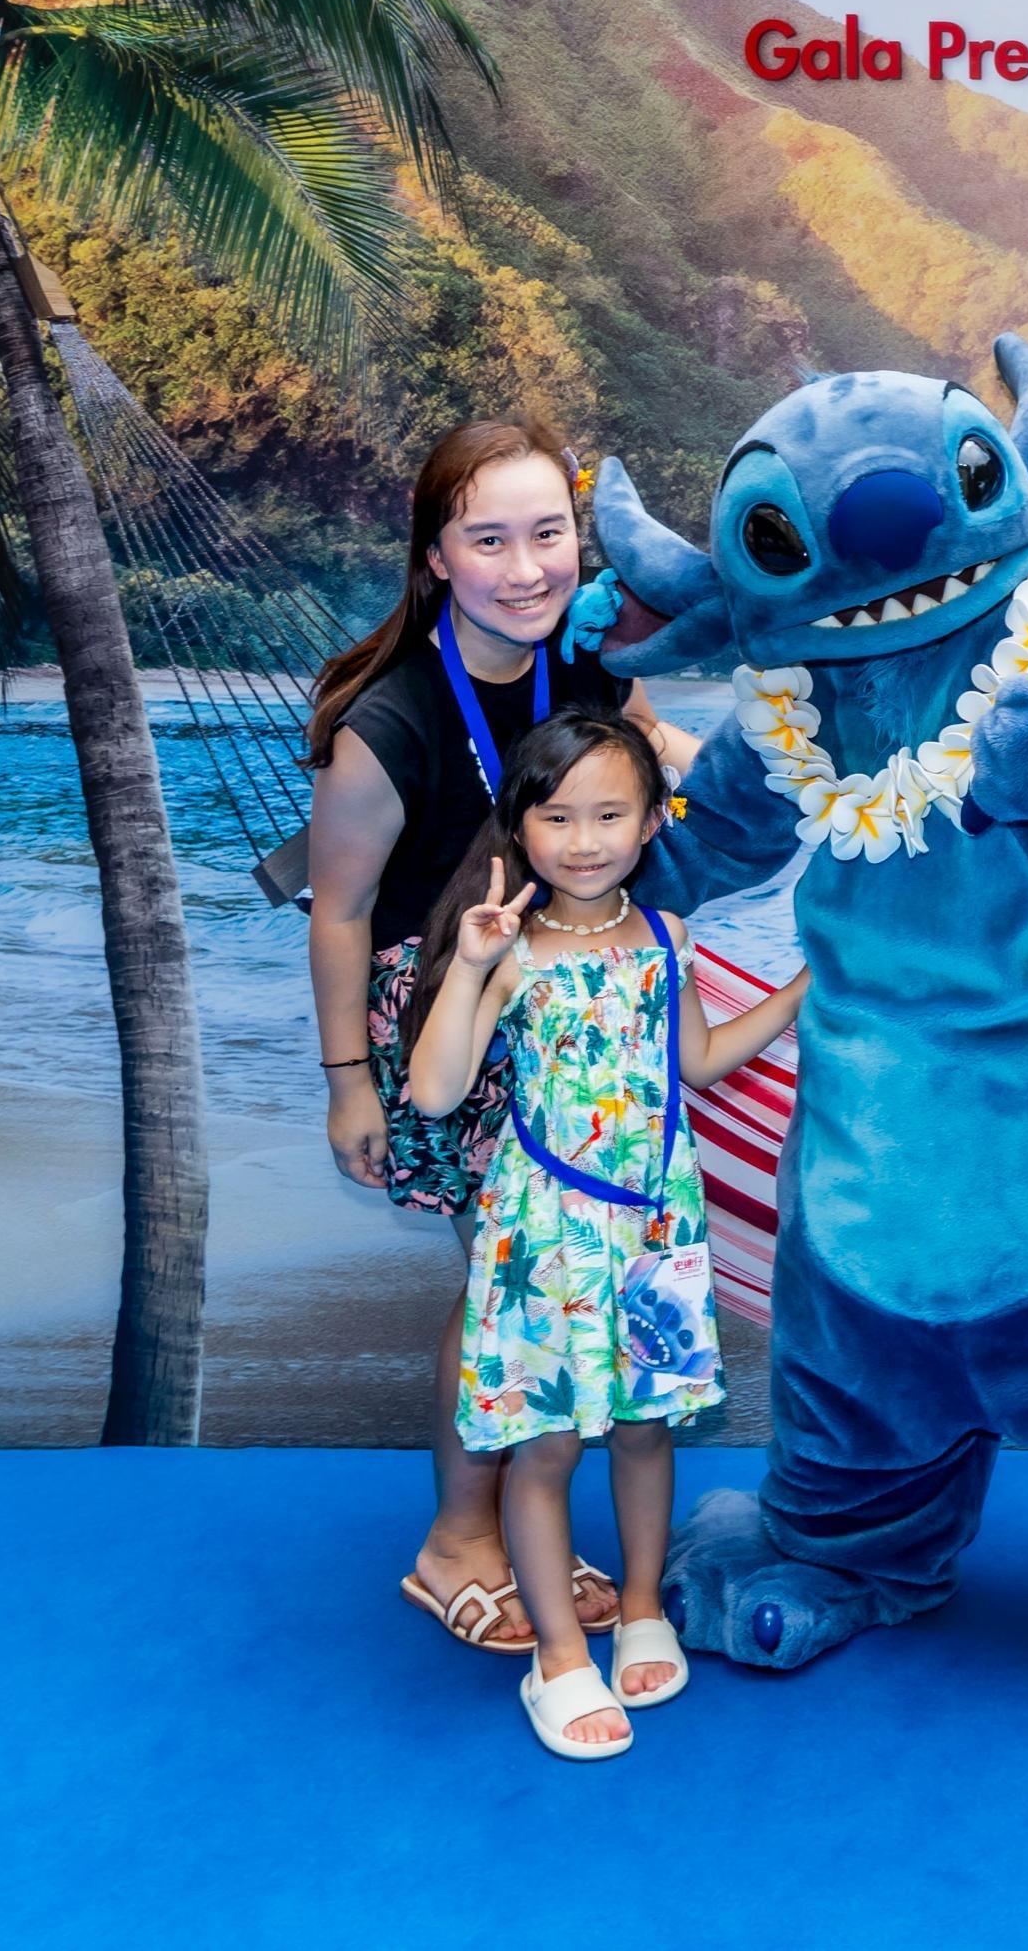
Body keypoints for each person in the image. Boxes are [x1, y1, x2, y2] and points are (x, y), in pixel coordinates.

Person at [303, 417, 697, 1659]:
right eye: (488, 540)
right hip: (454, 1009)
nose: (526, 569)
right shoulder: (386, 722)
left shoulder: (587, 664)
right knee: (505, 1284)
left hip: (579, 1005)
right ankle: (458, 1542)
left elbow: (672, 770)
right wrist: (348, 1083)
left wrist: (810, 775)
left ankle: (507, 1529)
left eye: (548, 534)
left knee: (544, 1280)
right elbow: (338, 913)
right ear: (435, 556)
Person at [405, 712, 808, 1758]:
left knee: (642, 1428)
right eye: (556, 817)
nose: (583, 840)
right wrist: (469, 966)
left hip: (656, 1224)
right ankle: (557, 1658)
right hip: (546, 1232)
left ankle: (637, 1607)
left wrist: (805, 989)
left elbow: (700, 1062)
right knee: (544, 1446)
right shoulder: (510, 949)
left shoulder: (669, 936)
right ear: (519, 825)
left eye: (609, 815)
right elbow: (436, 1090)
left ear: (652, 821)